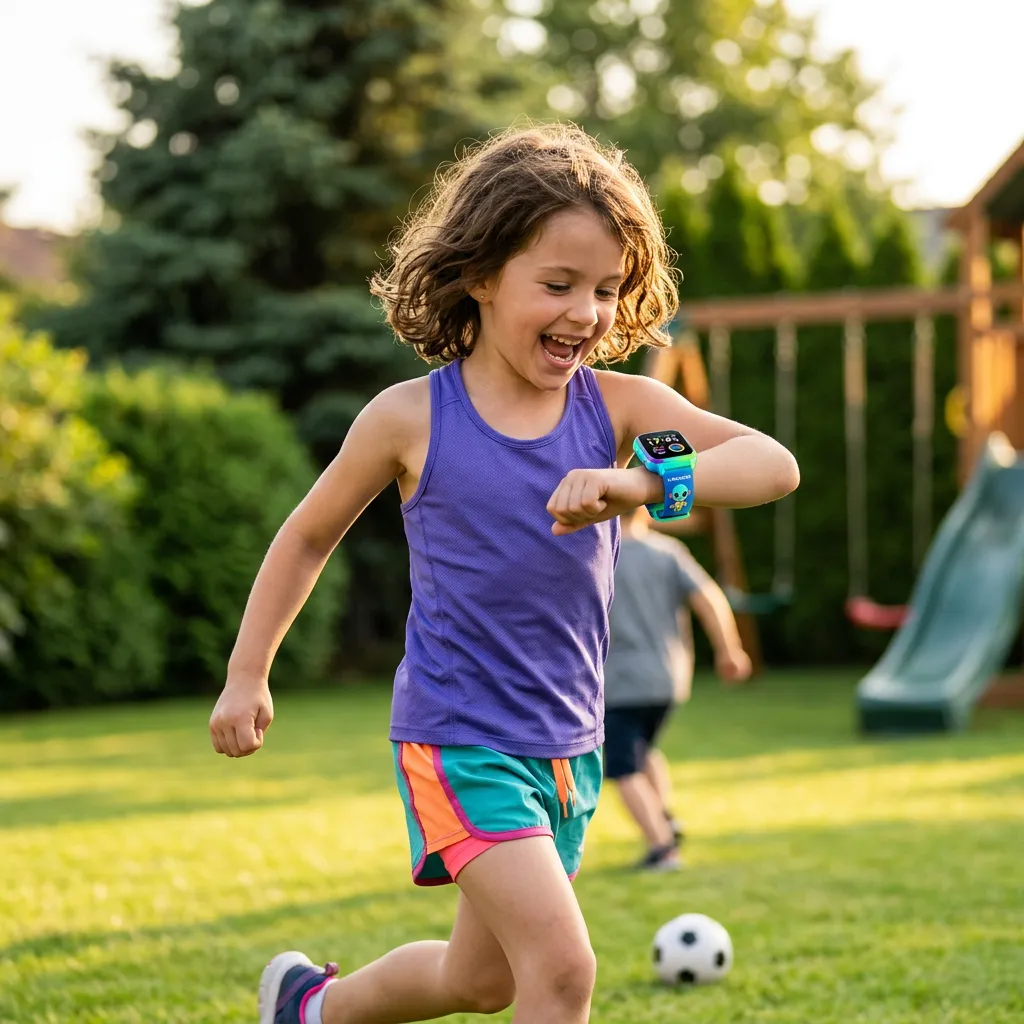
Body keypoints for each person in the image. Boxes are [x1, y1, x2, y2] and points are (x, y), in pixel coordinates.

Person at [208, 122, 799, 1024]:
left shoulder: (620, 410)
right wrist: (248, 672)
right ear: (480, 275)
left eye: (605, 289)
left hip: (568, 744)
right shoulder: (409, 419)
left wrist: (640, 480)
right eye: (557, 284)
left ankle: (310, 1009)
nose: (584, 314)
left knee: (481, 983)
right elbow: (307, 538)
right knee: (561, 973)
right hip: (459, 737)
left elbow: (770, 464)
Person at [603, 505, 752, 872]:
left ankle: (662, 848)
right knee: (645, 750)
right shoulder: (669, 551)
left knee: (623, 769)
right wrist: (729, 650)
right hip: (669, 678)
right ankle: (666, 818)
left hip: (620, 681)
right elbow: (710, 599)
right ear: (648, 512)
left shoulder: (600, 553)